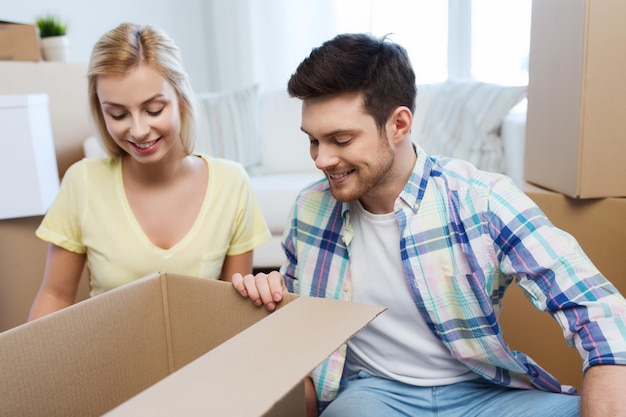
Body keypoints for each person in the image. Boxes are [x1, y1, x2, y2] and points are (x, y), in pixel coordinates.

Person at [232, 33, 626, 417]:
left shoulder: (482, 198)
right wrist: (269, 300)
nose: (321, 160)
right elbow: (299, 328)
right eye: (314, 141)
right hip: (374, 394)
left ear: (399, 124)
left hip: (481, 393)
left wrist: (607, 371)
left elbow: (593, 304)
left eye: (340, 139)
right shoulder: (309, 208)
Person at [29, 23, 270, 320]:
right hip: (110, 359)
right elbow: (55, 295)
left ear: (181, 100)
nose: (139, 130)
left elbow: (233, 309)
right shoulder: (82, 182)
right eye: (117, 114)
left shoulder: (231, 183)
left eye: (154, 109)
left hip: (203, 360)